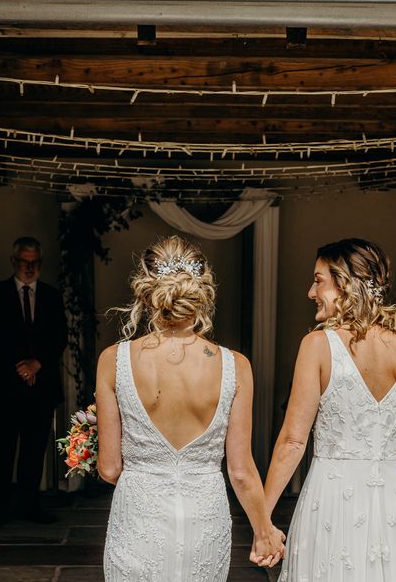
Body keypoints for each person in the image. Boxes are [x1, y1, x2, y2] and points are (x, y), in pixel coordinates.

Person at [97, 236, 286, 580]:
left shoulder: (114, 361)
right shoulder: (235, 365)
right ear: (202, 294)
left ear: (146, 292)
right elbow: (241, 471)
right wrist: (263, 531)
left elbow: (109, 468)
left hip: (140, 519)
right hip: (204, 518)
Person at [263, 238, 396, 581]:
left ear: (344, 283)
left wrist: (262, 516)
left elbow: (292, 442)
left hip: (331, 503)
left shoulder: (317, 346)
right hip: (395, 505)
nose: (310, 292)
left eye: (318, 280)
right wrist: (388, 479)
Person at [0, 236, 68, 528]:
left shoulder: (52, 296)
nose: (29, 268)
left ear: (40, 263)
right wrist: (20, 366)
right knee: (2, 451)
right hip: (5, 384)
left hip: (41, 386)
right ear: (13, 262)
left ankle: (29, 506)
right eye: (23, 262)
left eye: (34, 263)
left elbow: (59, 337)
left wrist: (37, 364)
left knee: (34, 450)